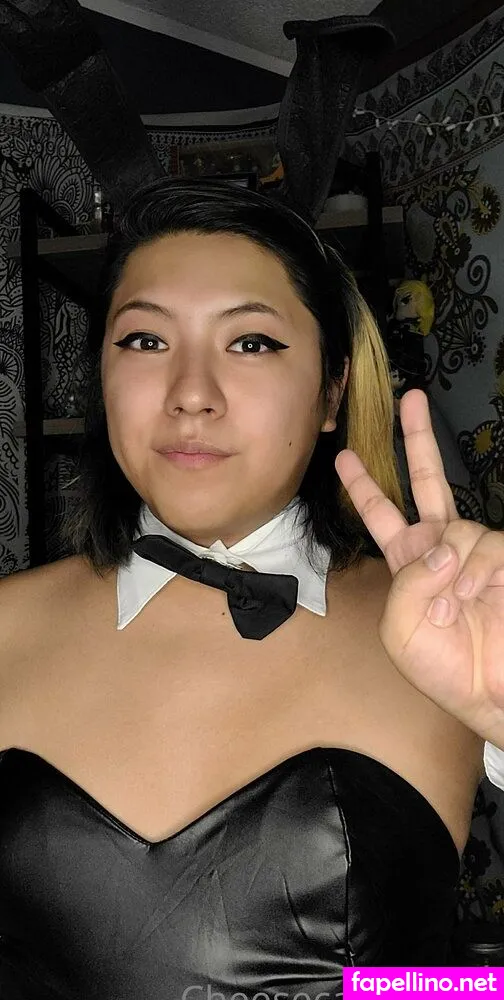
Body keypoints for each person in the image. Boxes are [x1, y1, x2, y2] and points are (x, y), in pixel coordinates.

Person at [0, 177, 495, 998]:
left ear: (332, 389)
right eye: (145, 341)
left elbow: (460, 984)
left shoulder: (452, 631)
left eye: (252, 343)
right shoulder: (6, 627)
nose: (192, 394)